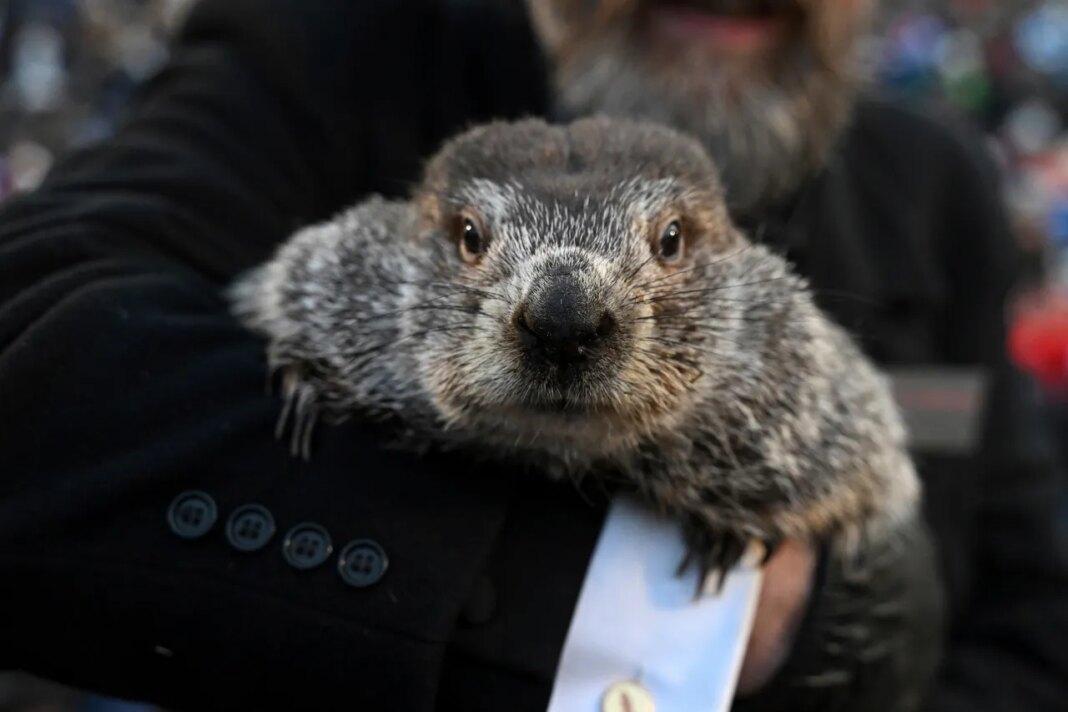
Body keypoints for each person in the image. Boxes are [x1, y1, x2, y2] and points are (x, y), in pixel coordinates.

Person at [0, 0, 1064, 710]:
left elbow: (1029, 612)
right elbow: (31, 348)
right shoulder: (334, 51)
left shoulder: (936, 186)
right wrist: (678, 620)